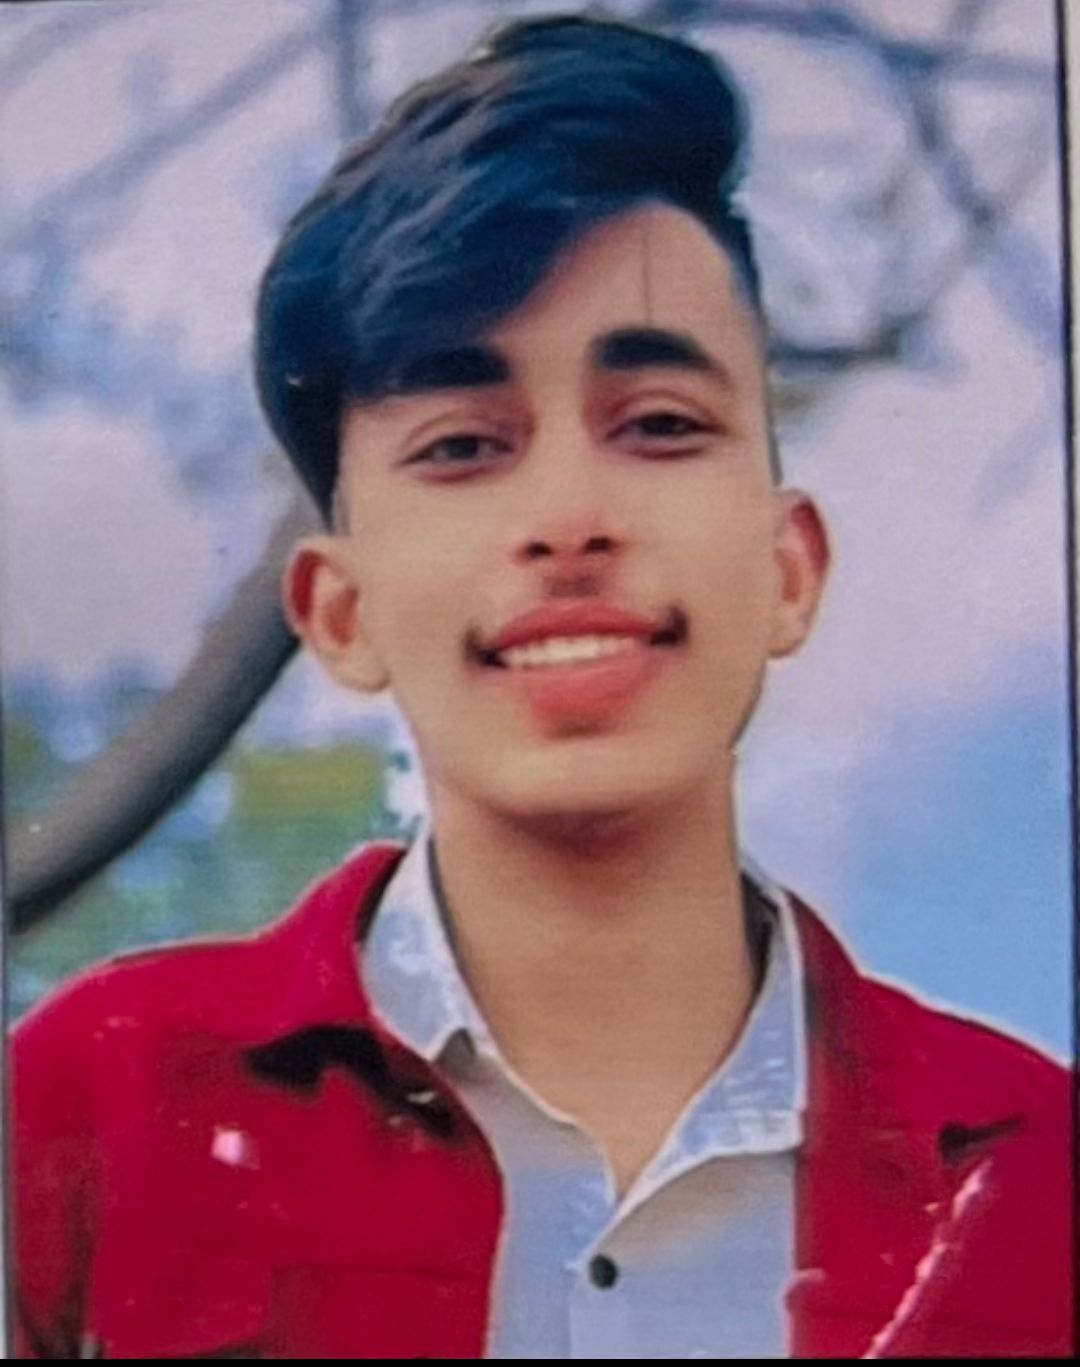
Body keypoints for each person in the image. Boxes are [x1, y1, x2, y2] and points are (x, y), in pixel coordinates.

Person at [12, 14, 1072, 1360]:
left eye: (660, 425)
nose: (569, 518)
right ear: (340, 611)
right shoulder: (78, 1116)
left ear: (789, 568)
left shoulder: (1044, 1183)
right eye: (463, 445)